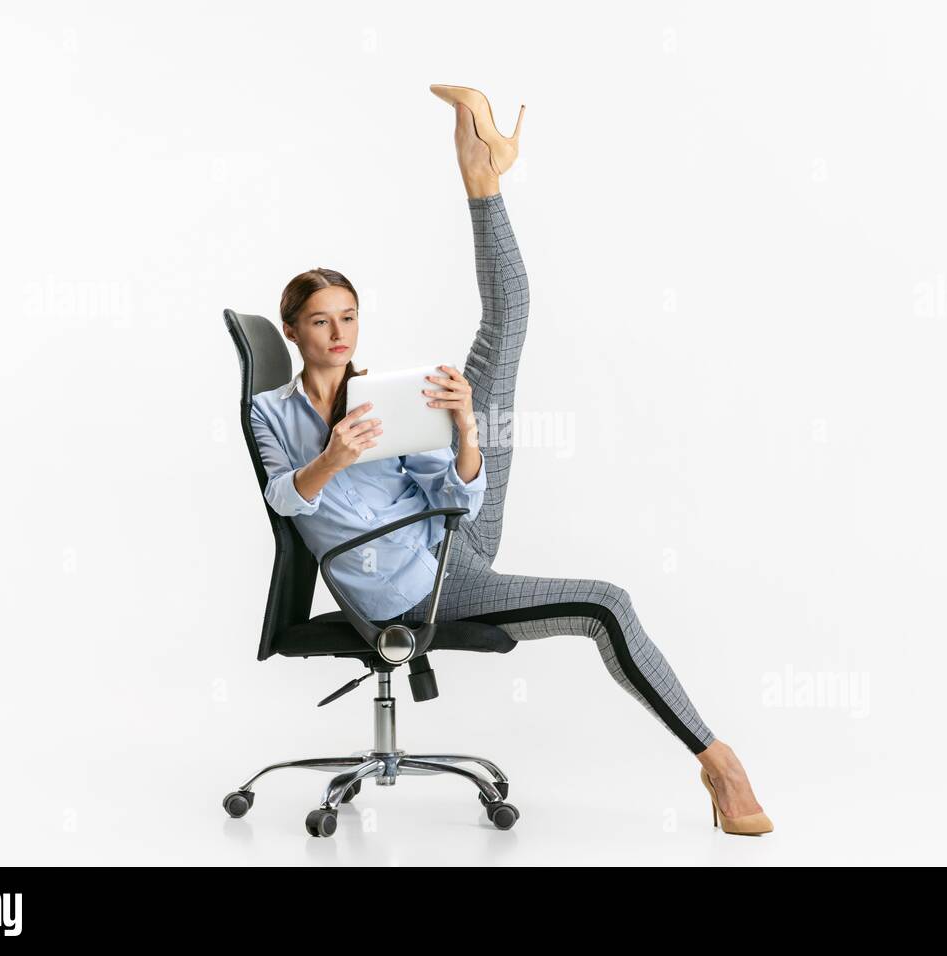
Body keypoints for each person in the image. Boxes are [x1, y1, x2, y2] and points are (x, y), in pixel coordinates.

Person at [249, 88, 772, 835]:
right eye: (321, 321)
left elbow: (450, 483)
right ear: (294, 332)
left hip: (453, 533)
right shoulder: (272, 411)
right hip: (405, 595)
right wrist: (332, 458)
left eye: (350, 316)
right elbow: (284, 500)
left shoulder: (379, 397)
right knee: (605, 604)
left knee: (502, 332)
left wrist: (464, 431)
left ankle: (482, 176)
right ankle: (717, 759)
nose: (339, 332)